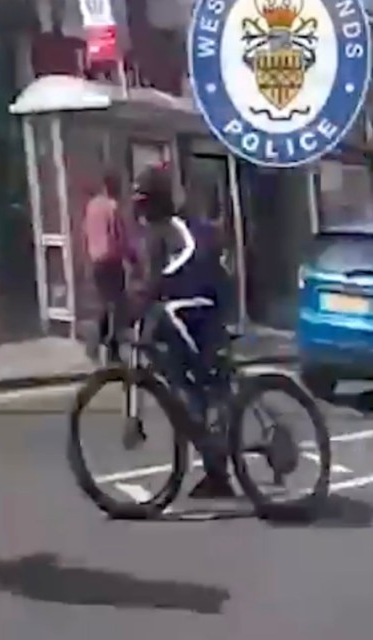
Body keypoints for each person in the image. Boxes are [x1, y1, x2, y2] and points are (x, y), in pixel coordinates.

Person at [131, 164, 234, 499]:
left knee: (183, 373)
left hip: (199, 307)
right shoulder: (167, 229)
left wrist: (133, 306)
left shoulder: (169, 230)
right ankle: (217, 470)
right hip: (199, 307)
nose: (139, 210)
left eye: (142, 202)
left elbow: (163, 277)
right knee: (194, 389)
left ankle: (216, 458)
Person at [82, 170, 135, 363]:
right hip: (111, 261)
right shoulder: (112, 207)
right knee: (116, 306)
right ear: (113, 187)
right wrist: (132, 257)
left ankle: (101, 347)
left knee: (106, 304)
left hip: (96, 260)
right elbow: (120, 236)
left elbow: (86, 233)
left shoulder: (92, 206)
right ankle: (102, 347)